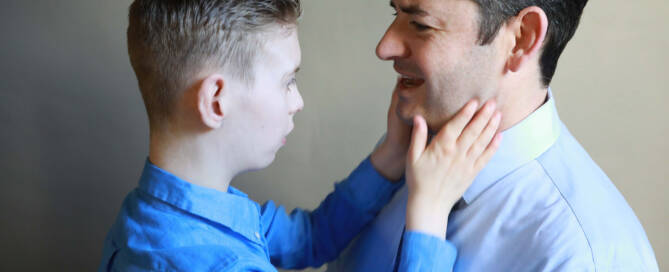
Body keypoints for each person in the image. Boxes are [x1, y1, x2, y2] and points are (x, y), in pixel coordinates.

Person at [98, 0, 501, 271]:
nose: (297, 102)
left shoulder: (156, 214)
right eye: (287, 81)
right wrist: (429, 213)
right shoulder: (216, 262)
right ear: (216, 101)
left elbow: (308, 238)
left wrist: (392, 156)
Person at [329, 0, 659, 271]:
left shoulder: (585, 257)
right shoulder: (406, 146)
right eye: (395, 13)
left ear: (521, 39)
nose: (384, 47)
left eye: (420, 25)